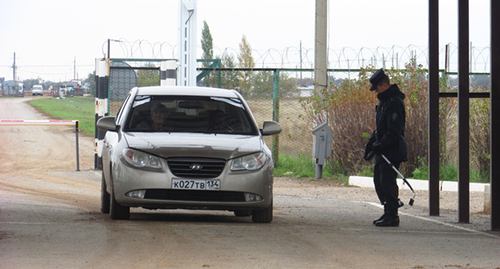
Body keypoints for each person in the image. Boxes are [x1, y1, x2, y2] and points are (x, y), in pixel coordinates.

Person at [364, 69, 408, 227]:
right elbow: (381, 128)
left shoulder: (394, 102)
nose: (376, 91)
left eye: (377, 88)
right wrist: (372, 143)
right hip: (383, 148)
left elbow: (395, 129)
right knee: (379, 180)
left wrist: (381, 145)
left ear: (384, 85)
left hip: (392, 149)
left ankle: (393, 215)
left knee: (387, 181)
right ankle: (387, 210)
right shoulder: (384, 101)